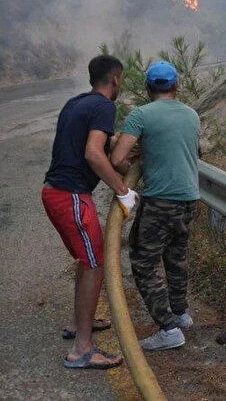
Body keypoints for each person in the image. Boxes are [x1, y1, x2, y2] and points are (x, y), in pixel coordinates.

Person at [43, 54, 138, 369]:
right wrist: (123, 191)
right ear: (115, 79)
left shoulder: (76, 103)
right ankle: (82, 349)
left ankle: (77, 323)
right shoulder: (104, 107)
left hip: (54, 193)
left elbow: (92, 149)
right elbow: (93, 153)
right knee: (95, 263)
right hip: (70, 195)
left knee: (88, 259)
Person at [111, 60, 200, 351]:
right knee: (176, 257)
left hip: (161, 201)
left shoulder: (141, 115)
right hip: (189, 200)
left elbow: (116, 159)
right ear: (176, 86)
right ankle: (181, 313)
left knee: (143, 262)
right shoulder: (191, 115)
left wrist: (130, 165)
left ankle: (168, 329)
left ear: (148, 87)